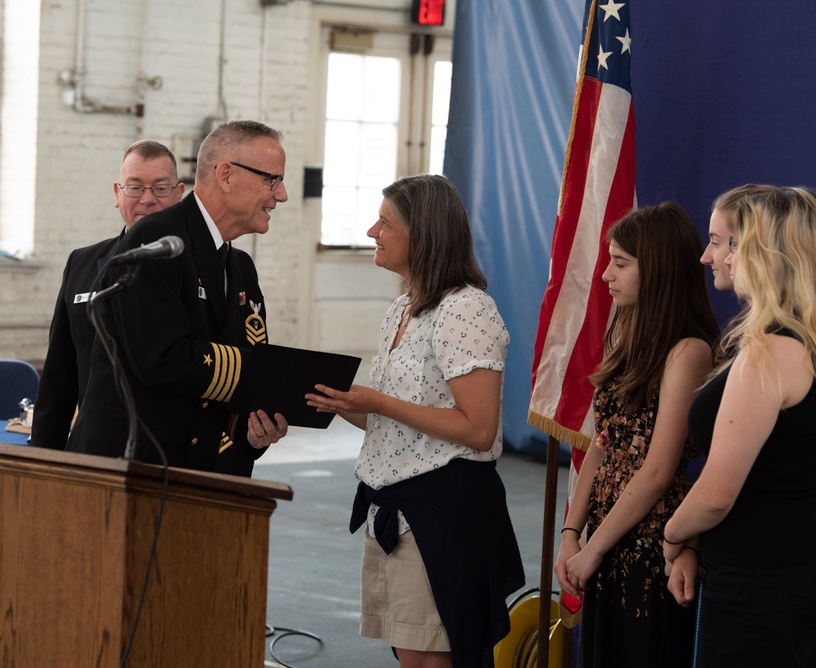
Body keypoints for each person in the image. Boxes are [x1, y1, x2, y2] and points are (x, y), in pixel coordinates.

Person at [305, 174, 524, 668]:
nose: (371, 232)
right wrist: (345, 405)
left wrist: (379, 403)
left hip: (442, 510)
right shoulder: (404, 306)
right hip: (398, 508)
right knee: (411, 653)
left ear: (423, 234)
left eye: (385, 222)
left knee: (432, 657)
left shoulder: (466, 308)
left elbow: (477, 428)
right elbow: (404, 425)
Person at [65, 120, 289, 475]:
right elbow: (163, 359)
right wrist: (271, 374)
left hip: (199, 469)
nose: (281, 194)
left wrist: (253, 430)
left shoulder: (240, 266)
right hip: (133, 470)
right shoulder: (155, 239)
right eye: (271, 179)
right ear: (227, 175)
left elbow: (237, 370)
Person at [553, 203, 719, 667]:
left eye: (621, 263)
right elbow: (601, 443)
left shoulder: (688, 351)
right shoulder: (625, 330)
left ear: (660, 269)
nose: (606, 274)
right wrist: (571, 533)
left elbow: (657, 471)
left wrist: (593, 550)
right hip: (602, 535)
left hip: (649, 544)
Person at [663, 187, 816, 667]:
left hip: (757, 587)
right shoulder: (800, 340)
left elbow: (716, 494)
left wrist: (671, 536)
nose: (715, 255)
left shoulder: (770, 350)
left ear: (760, 250)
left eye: (729, 241)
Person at [30, 140, 185, 449]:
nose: (147, 199)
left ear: (180, 194)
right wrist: (43, 456)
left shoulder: (201, 265)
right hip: (97, 444)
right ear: (117, 194)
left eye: (161, 189)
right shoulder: (83, 263)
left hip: (173, 449)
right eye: (135, 188)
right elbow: (60, 375)